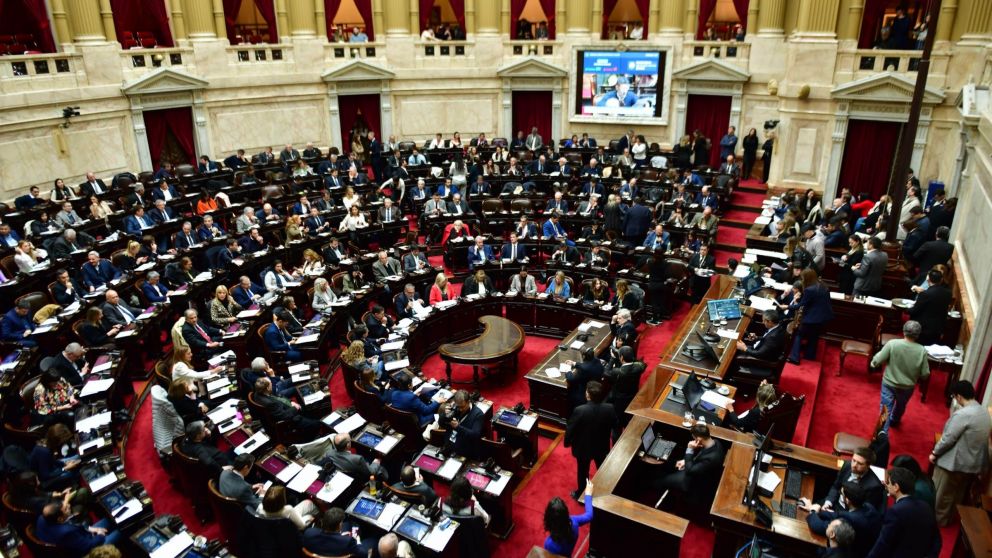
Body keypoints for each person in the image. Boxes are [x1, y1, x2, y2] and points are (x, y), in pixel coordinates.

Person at [930, 380, 991, 525]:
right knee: (957, 494)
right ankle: (949, 518)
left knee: (942, 495)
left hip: (954, 463)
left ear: (958, 396)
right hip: (971, 464)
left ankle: (938, 521)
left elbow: (948, 438)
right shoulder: (983, 412)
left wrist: (934, 452)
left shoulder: (963, 414)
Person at [865, 467, 942, 558]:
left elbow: (883, 544)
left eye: (888, 482)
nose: (887, 485)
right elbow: (937, 540)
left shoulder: (894, 512)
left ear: (896, 487)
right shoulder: (925, 506)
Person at [871, 320, 929, 431]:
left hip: (889, 383)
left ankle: (882, 434)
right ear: (918, 334)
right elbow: (925, 373)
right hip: (907, 387)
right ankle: (895, 420)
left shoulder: (893, 344)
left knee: (885, 409)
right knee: (901, 406)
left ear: (903, 331)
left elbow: (878, 360)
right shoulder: (922, 351)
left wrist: (872, 363)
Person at [654, 424, 726, 510]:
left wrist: (690, 450)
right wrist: (686, 460)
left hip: (694, 482)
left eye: (694, 438)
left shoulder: (711, 458)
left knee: (661, 480)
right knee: (671, 463)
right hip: (699, 470)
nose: (693, 440)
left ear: (699, 439)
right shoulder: (715, 442)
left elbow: (690, 470)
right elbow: (701, 456)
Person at [803, 482, 882, 558]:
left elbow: (819, 526)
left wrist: (812, 511)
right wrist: (819, 510)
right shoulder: (868, 507)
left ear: (847, 500)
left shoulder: (852, 520)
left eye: (841, 494)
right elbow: (837, 515)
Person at [565, 381, 615, 500]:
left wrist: (567, 442)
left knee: (583, 472)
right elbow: (615, 424)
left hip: (583, 447)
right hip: (601, 445)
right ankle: (605, 491)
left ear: (588, 394)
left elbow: (570, 428)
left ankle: (581, 494)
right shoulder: (609, 408)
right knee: (602, 469)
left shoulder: (580, 410)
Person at [36, 500, 120, 555]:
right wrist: (100, 535)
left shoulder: (42, 518)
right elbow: (89, 546)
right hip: (87, 551)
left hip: (78, 537)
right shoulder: (67, 532)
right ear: (60, 519)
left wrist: (89, 529)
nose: (69, 506)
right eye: (66, 509)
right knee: (120, 532)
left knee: (108, 520)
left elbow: (73, 526)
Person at [788, 268, 834, 363]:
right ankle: (810, 356)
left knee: (799, 334)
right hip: (824, 317)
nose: (802, 280)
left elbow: (802, 305)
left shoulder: (809, 289)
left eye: (803, 278)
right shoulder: (823, 285)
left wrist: (788, 306)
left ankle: (794, 358)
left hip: (813, 318)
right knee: (814, 336)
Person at [821, 447, 886, 512]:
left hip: (849, 515)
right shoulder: (847, 465)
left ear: (868, 465)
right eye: (853, 460)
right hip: (834, 503)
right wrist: (828, 503)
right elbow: (836, 487)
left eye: (860, 463)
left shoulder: (874, 486)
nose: (854, 465)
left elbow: (865, 511)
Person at [543, 481, 594, 556]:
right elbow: (589, 515)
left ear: (548, 519)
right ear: (566, 513)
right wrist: (588, 495)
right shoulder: (574, 522)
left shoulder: (549, 544)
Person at [304, 508, 373, 558]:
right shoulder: (348, 541)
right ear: (340, 525)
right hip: (345, 550)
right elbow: (363, 554)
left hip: (325, 550)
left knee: (348, 523)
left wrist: (339, 536)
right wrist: (358, 541)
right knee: (374, 540)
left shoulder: (309, 532)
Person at [907, 269, 952, 346]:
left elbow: (915, 311)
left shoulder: (925, 294)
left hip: (923, 329)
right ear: (941, 280)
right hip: (938, 328)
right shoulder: (948, 293)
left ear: (928, 279)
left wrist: (907, 309)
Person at [320, 433, 389, 482]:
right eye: (350, 441)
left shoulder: (329, 453)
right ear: (348, 445)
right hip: (360, 479)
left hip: (344, 474)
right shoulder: (357, 459)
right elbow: (370, 472)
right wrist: (376, 462)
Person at [30, 423, 80, 488]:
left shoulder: (45, 443)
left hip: (50, 468)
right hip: (45, 481)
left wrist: (64, 463)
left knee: (77, 457)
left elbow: (52, 461)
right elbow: (45, 475)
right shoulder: (45, 452)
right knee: (72, 472)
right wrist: (65, 468)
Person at [445, 390, 485, 459]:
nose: (460, 409)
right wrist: (444, 415)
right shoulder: (455, 408)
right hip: (451, 444)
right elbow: (441, 423)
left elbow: (475, 435)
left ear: (468, 402)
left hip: (466, 448)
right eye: (458, 406)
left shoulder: (478, 414)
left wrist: (458, 427)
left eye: (462, 407)